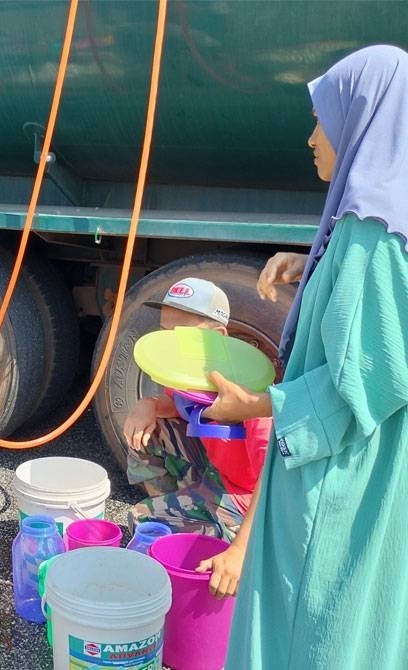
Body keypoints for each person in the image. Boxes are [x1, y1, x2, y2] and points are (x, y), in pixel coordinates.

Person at [201, 45, 408, 667]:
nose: (312, 137)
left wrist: (255, 405)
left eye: (323, 120)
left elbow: (369, 378)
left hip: (340, 476)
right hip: (366, 467)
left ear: (362, 121)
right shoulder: (376, 219)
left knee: (313, 626)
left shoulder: (371, 234)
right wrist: (312, 266)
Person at [123, 277, 272, 546]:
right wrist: (147, 404)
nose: (171, 343)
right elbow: (175, 406)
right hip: (215, 474)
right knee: (148, 430)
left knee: (145, 524)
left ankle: (216, 536)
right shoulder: (190, 373)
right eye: (165, 332)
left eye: (181, 333)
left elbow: (273, 477)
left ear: (219, 336)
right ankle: (177, 509)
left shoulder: (250, 391)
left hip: (246, 502)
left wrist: (240, 550)